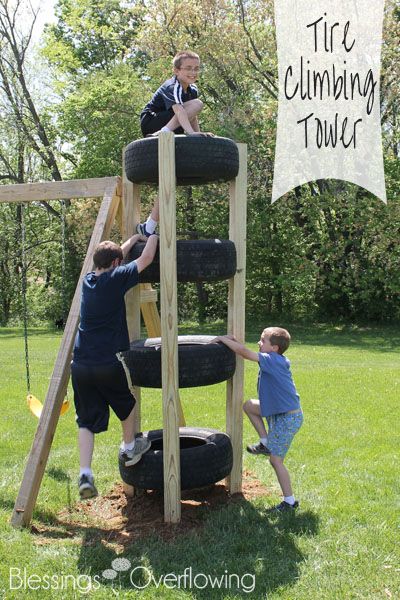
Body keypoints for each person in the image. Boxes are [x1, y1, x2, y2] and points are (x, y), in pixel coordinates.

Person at [71, 233, 159, 499]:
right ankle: (131, 446)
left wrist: (131, 239)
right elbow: (146, 258)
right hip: (107, 361)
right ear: (116, 264)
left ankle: (85, 472)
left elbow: (112, 255)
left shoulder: (88, 280)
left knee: (86, 420)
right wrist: (153, 235)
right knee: (127, 404)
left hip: (80, 364)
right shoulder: (117, 278)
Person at [213, 327, 303, 512]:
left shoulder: (272, 360)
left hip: (287, 418)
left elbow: (245, 353)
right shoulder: (274, 358)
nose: (259, 343)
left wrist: (222, 340)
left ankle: (289, 501)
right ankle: (265, 441)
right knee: (249, 406)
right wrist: (233, 341)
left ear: (275, 348)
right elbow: (245, 350)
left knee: (275, 461)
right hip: (278, 410)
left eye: (263, 341)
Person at [140, 50, 212, 138]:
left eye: (196, 68)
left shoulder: (193, 89)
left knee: (195, 105)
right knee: (197, 103)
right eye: (188, 68)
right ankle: (163, 132)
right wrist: (191, 133)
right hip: (151, 122)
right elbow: (179, 110)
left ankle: (166, 131)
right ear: (176, 71)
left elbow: (192, 114)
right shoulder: (172, 86)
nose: (193, 72)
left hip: (172, 122)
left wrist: (197, 134)